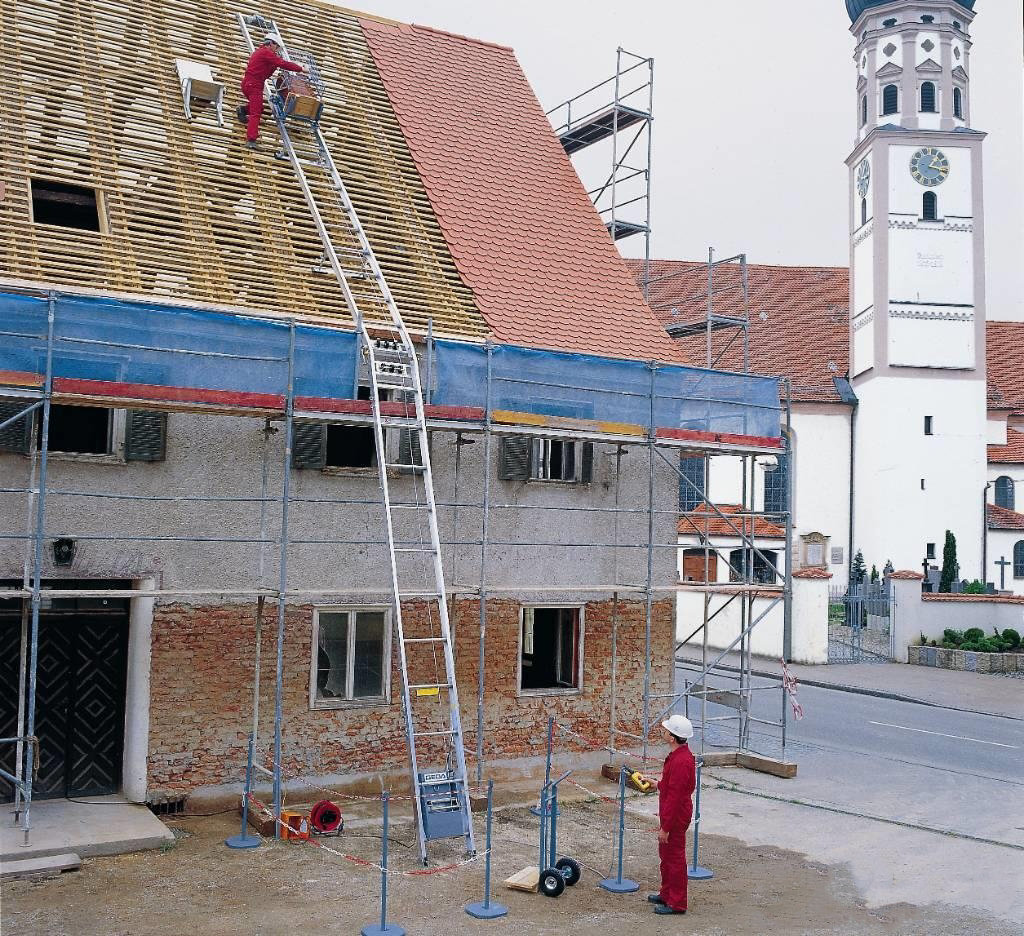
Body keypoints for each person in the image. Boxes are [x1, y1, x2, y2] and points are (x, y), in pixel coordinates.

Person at [646, 713, 696, 916]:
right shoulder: (679, 756)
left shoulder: (680, 761)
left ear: (673, 737)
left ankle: (677, 903)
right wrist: (658, 784)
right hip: (672, 813)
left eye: (666, 730)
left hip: (674, 817)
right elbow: (672, 788)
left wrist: (666, 827)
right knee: (666, 857)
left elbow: (676, 797)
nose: (663, 731)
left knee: (674, 859)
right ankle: (666, 894)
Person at [238, 37, 306, 148]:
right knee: (256, 114)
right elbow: (282, 63)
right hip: (254, 85)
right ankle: (251, 140)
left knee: (259, 108)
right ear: (270, 43)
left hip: (249, 84)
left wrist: (275, 64)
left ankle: (242, 110)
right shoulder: (265, 52)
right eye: (276, 47)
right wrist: (300, 69)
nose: (276, 50)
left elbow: (269, 70)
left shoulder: (261, 52)